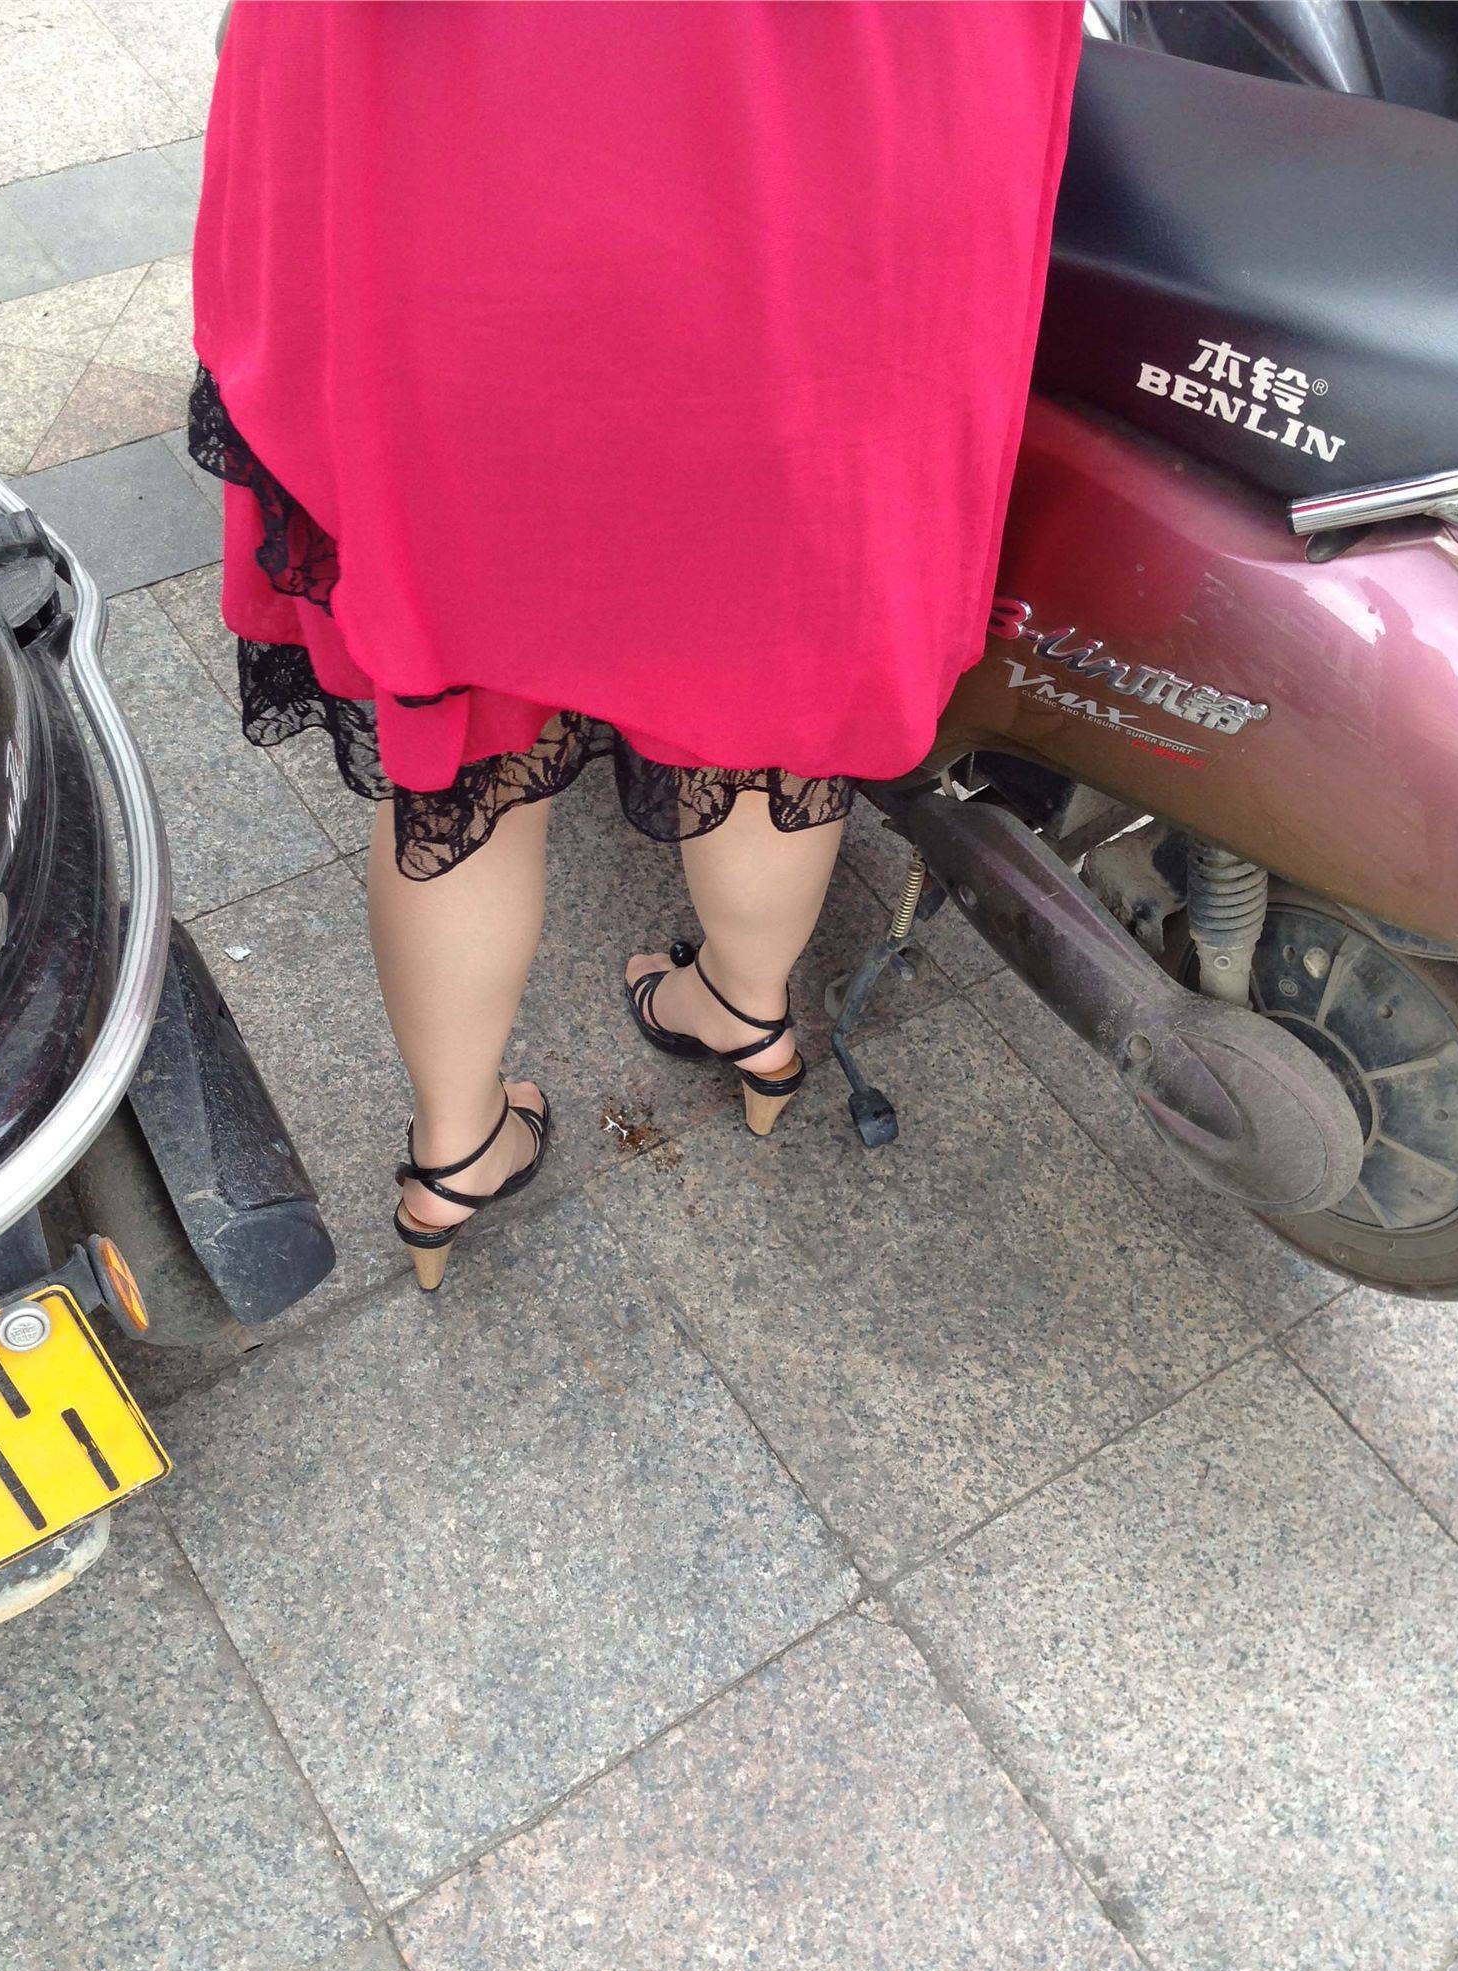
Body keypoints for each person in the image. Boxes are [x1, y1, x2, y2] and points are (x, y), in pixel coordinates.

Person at [189, 0, 1082, 1290]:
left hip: (462, 181)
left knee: (462, 720)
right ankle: (747, 1015)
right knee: (779, 667)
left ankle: (455, 1151)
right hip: (848, 174)